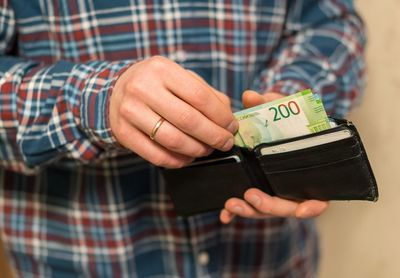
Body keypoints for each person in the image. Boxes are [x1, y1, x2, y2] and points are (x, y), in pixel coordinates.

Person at [0, 0, 365, 277]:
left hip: (272, 258)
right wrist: (98, 100)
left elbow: (331, 24)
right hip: (83, 258)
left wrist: (289, 105)